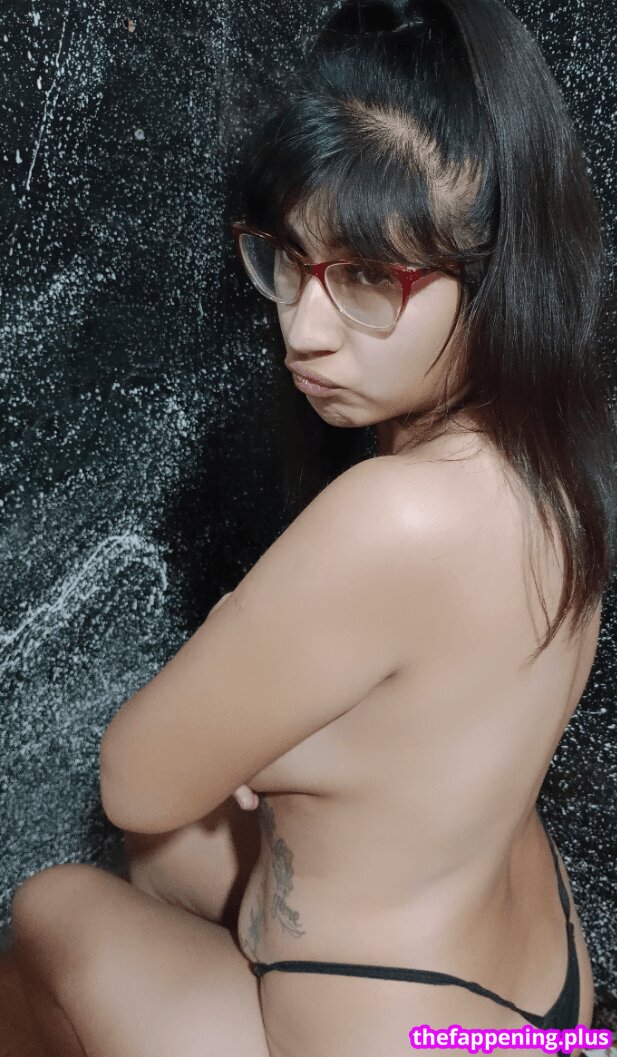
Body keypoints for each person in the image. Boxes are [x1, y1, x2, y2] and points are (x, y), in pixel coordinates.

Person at [10, 1, 616, 1055]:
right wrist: (294, 737)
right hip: (542, 1006)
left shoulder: (395, 513)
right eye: (286, 258)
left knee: (51, 907)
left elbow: (137, 775)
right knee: (166, 860)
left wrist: (262, 725)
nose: (301, 326)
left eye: (370, 278)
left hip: (386, 1021)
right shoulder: (553, 455)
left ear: (494, 277)